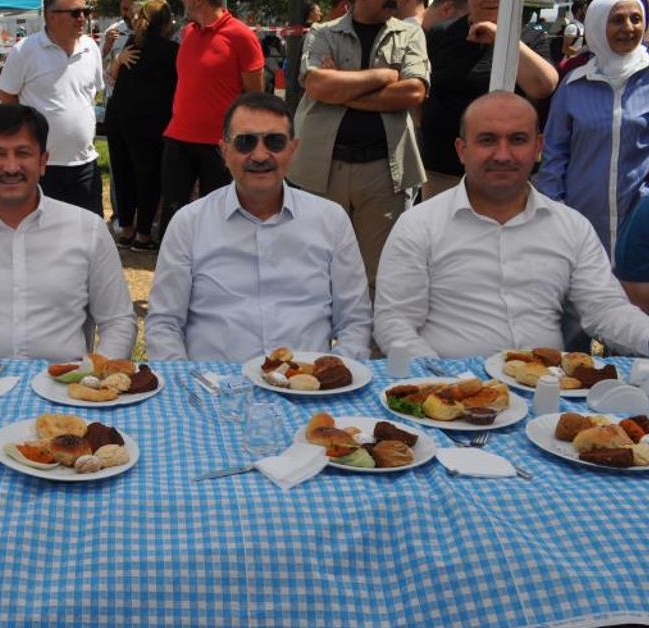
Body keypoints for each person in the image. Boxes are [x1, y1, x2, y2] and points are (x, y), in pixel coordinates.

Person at [374, 92, 649, 358]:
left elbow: (606, 310)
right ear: (462, 150)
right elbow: (394, 323)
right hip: (445, 383)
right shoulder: (420, 225)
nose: (503, 155)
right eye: (487, 140)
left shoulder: (571, 227)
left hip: (546, 384)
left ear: (538, 148)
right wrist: (444, 379)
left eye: (518, 140)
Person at [145, 92, 372, 362]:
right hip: (212, 383)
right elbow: (164, 324)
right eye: (245, 142)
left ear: (293, 149)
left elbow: (355, 323)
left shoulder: (330, 221)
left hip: (307, 383)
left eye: (274, 142)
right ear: (224, 151)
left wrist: (332, 375)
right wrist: (188, 382)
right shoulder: (189, 224)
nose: (261, 155)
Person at [0, 103, 135, 360]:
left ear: (43, 161)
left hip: (64, 383)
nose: (11, 167)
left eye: (23, 153)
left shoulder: (88, 230)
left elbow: (118, 322)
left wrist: (95, 377)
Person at [288, 0, 430, 297]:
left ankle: (372, 330)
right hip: (322, 171)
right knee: (316, 267)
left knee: (380, 275)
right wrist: (384, 76)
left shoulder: (409, 34)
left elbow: (414, 91)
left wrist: (341, 89)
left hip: (384, 173)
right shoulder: (322, 32)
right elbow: (317, 85)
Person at [537, 0, 649, 256]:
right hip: (581, 224)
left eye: (636, 19)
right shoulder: (574, 85)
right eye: (617, 20)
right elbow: (554, 154)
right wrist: (556, 210)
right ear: (597, 24)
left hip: (641, 225)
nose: (628, 27)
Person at [154, 0, 263, 252]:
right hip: (178, 138)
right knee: (173, 215)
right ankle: (172, 267)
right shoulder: (188, 32)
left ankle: (216, 267)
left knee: (218, 218)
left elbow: (254, 97)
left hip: (219, 145)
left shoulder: (241, 35)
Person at [422, 0, 558, 200]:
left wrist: (501, 36)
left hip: (502, 170)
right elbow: (421, 92)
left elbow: (543, 86)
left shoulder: (529, 37)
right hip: (442, 170)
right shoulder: (440, 34)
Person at [0, 0, 105, 217]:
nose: (82, 18)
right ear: (51, 15)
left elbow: (92, 93)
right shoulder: (24, 51)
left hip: (85, 163)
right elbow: (6, 95)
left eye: (86, 11)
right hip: (41, 167)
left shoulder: (91, 48)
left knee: (89, 230)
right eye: (75, 13)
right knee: (41, 231)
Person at [106, 0, 178, 249]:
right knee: (148, 176)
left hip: (118, 115)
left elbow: (112, 76)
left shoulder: (131, 44)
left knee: (123, 172)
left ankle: (126, 229)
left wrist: (117, 60)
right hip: (149, 120)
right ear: (167, 23)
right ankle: (143, 235)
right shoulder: (173, 51)